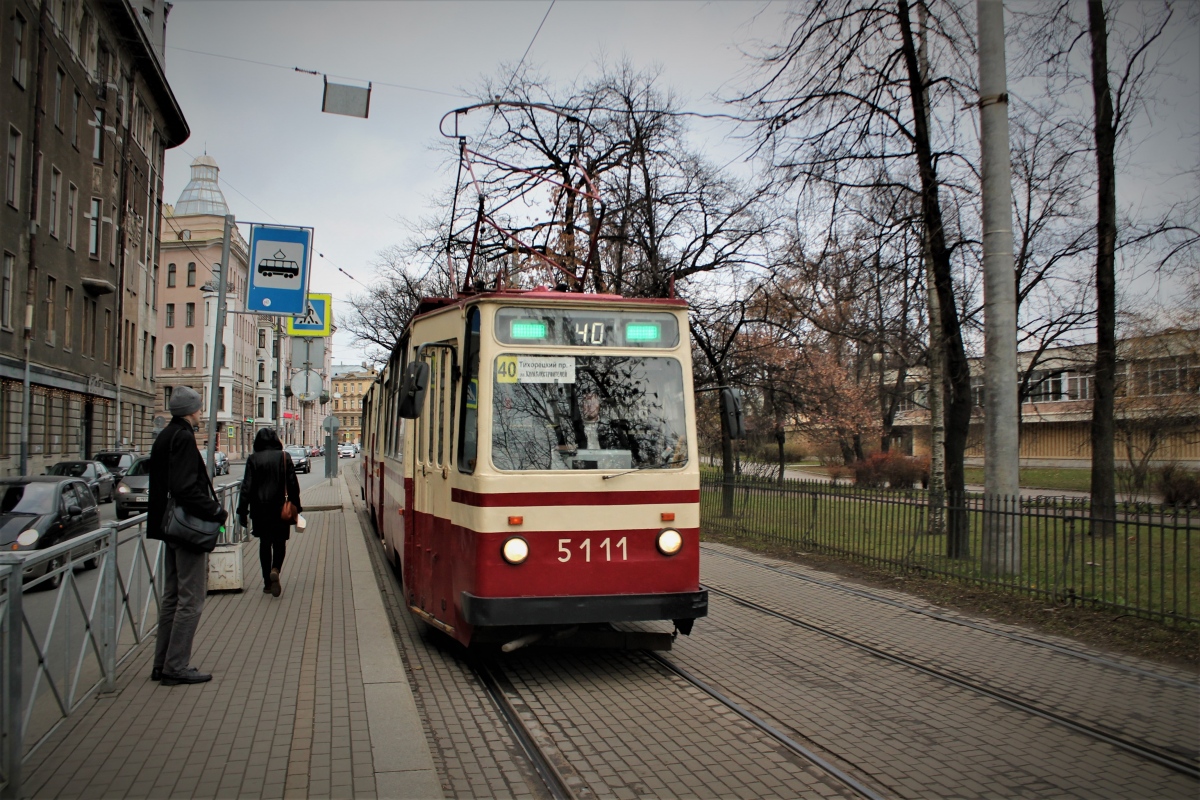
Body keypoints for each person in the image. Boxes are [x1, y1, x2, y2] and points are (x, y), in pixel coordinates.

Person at [147, 385, 227, 686]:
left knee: (172, 597)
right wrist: (216, 511)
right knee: (191, 599)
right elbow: (185, 488)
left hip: (169, 527)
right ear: (190, 410)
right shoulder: (182, 437)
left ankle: (162, 664)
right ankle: (176, 666)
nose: (200, 412)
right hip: (186, 528)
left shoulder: (165, 436)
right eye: (198, 407)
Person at [237, 427, 302, 597]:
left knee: (264, 544)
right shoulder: (284, 457)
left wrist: (242, 511)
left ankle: (267, 582)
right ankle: (276, 569)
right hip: (281, 509)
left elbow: (246, 487)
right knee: (280, 542)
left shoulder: (253, 459)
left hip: (260, 510)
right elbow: (293, 485)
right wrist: (297, 507)